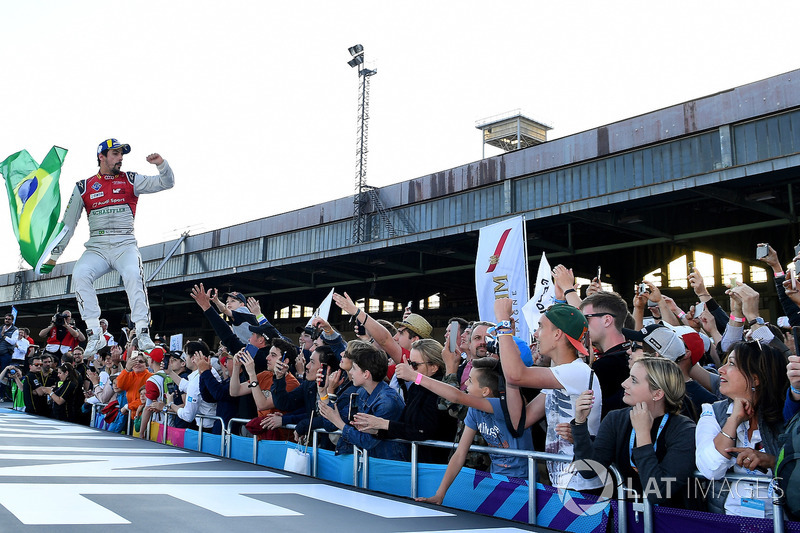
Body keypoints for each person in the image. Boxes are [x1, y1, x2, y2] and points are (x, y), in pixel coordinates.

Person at [41, 139, 175, 356]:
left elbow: (166, 183)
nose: (120, 158)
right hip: (97, 247)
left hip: (125, 244)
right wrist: (54, 256)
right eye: (115, 153)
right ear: (101, 156)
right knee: (80, 273)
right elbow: (67, 225)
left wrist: (161, 164)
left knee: (133, 274)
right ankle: (95, 334)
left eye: (121, 154)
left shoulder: (131, 179)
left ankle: (142, 330)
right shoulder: (83, 187)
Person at [494, 298, 604, 492]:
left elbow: (516, 375)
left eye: (540, 327)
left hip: (582, 486)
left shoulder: (577, 372)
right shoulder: (559, 375)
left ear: (557, 334)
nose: (535, 334)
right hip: (563, 483)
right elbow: (522, 420)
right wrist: (507, 343)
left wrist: (504, 325)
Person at [403, 356, 535, 505]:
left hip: (522, 485)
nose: (465, 384)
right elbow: (460, 453)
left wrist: (416, 377)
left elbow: (456, 397)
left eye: (471, 381)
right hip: (495, 479)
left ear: (485, 391)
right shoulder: (475, 411)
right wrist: (439, 495)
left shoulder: (501, 406)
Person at [572, 357, 697, 505]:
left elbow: (658, 492)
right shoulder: (616, 419)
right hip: (627, 518)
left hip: (670, 522)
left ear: (657, 394)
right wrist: (580, 423)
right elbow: (588, 471)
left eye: (634, 380)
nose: (624, 384)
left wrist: (643, 435)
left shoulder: (684, 430)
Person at [695, 340, 789, 518]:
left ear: (755, 378)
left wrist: (772, 461)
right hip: (729, 519)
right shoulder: (714, 412)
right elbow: (710, 469)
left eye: (731, 364)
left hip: (783, 521)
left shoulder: (787, 415)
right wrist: (734, 420)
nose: (721, 370)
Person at [352, 338, 458, 463]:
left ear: (434, 367)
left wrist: (383, 424)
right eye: (408, 363)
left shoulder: (438, 390)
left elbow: (422, 430)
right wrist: (376, 429)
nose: (410, 369)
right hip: (415, 461)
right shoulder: (416, 387)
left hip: (434, 464)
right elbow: (406, 426)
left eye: (414, 365)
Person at [317, 341, 406, 460]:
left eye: (354, 368)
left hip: (388, 464)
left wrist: (339, 423)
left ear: (366, 374)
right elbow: (330, 425)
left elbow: (367, 441)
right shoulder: (361, 392)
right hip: (370, 463)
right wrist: (323, 393)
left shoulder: (387, 402)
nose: (351, 372)